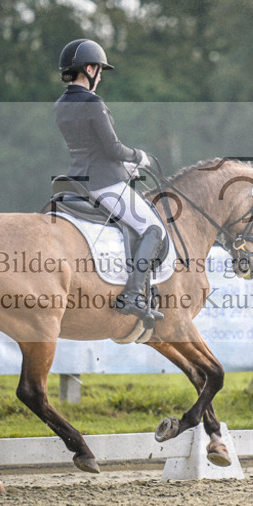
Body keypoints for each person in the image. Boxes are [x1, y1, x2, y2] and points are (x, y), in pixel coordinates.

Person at [53, 38, 165, 324]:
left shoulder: (61, 104)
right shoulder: (93, 103)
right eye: (100, 70)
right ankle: (133, 294)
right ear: (89, 69)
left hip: (77, 180)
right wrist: (138, 156)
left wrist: (122, 167)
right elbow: (113, 148)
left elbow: (90, 148)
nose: (101, 77)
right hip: (104, 184)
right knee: (153, 228)